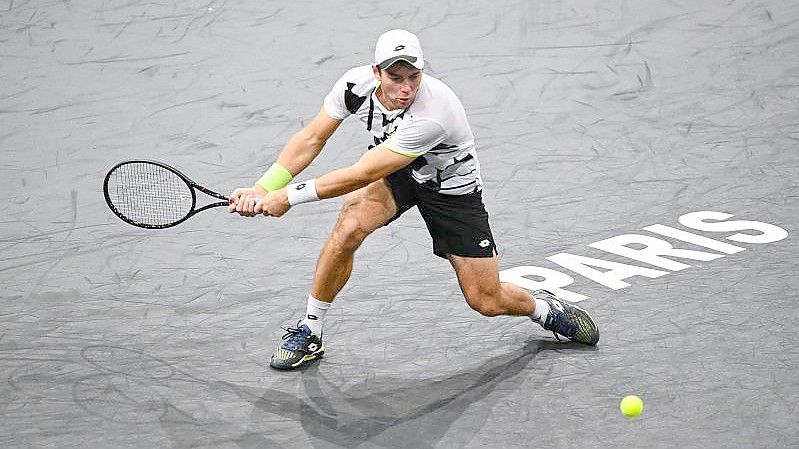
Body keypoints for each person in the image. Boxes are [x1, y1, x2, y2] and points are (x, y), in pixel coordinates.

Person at [229, 29, 599, 370]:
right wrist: (264, 186)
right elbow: (312, 138)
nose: (406, 87)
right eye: (396, 77)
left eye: (413, 77)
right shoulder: (353, 86)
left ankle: (543, 307)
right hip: (398, 171)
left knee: (485, 300)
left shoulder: (434, 113)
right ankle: (311, 330)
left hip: (451, 189)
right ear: (377, 72)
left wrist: (288, 197)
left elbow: (363, 173)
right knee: (349, 228)